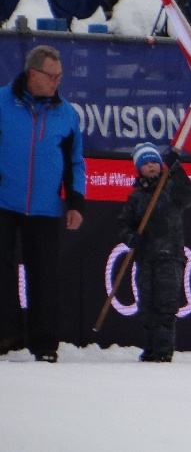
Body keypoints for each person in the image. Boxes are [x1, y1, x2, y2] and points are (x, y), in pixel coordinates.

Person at [0, 45, 85, 363]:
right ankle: (7, 333)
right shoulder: (2, 103)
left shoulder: (66, 115)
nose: (56, 82)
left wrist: (75, 202)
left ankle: (45, 343)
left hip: (45, 207)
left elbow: (75, 162)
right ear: (32, 74)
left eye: (60, 76)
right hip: (4, 202)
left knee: (44, 276)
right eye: (51, 76)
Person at [118, 142, 191, 362]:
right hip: (145, 259)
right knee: (147, 305)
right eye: (146, 163)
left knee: (166, 305)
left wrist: (177, 168)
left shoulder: (171, 187)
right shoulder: (135, 198)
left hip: (170, 257)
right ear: (138, 168)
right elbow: (123, 224)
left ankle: (163, 351)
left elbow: (190, 195)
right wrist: (129, 236)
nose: (152, 167)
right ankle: (150, 347)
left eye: (155, 162)